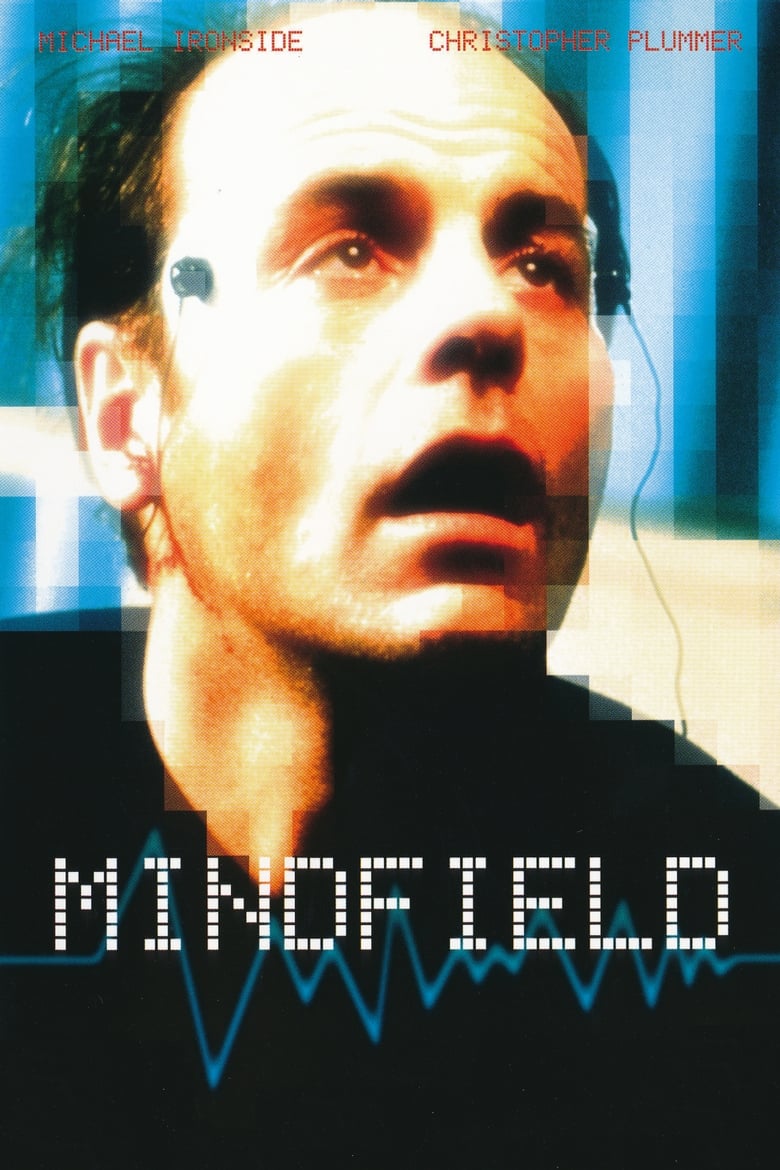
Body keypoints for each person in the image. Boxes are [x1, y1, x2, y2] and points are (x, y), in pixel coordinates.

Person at [3, 4, 777, 1167]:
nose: (490, 315)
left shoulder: (729, 934)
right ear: (128, 416)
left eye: (546, 268)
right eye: (349, 249)